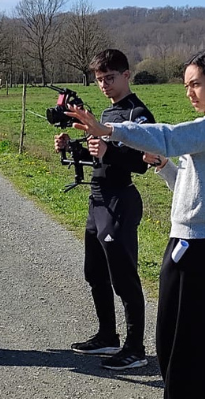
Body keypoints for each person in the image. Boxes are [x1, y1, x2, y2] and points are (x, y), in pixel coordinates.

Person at [68, 49, 205, 399]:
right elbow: (191, 188)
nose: (189, 92)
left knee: (177, 342)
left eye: (196, 84)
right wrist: (162, 166)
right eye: (186, 84)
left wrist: (108, 129)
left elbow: (168, 136)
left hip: (191, 248)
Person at [54, 48, 155, 370]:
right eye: (99, 79)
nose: (104, 85)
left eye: (110, 78)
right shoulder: (108, 112)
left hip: (119, 200)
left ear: (126, 75)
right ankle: (107, 336)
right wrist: (72, 147)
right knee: (95, 273)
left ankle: (135, 348)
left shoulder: (137, 114)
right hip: (97, 199)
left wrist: (107, 151)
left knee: (123, 278)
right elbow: (98, 156)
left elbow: (142, 163)